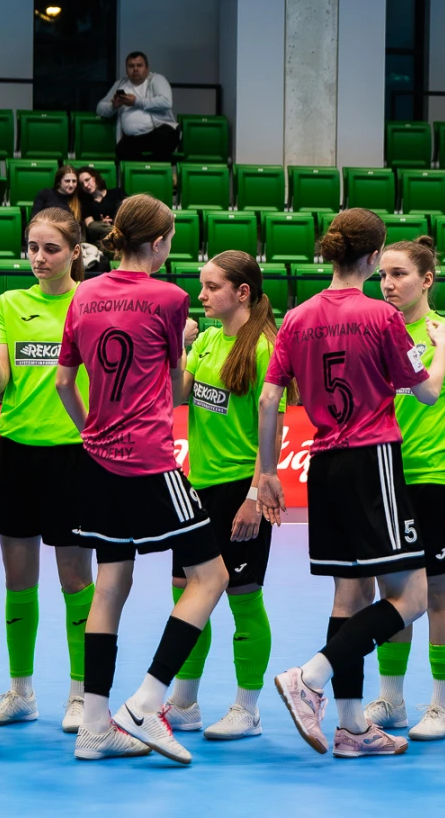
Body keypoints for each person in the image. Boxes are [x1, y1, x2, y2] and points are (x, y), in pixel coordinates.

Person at [258, 208, 445, 759]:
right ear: (372, 256)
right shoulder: (383, 316)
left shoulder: (297, 317)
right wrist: (438, 347)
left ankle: (350, 729)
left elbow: (270, 400)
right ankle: (310, 677)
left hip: (323, 464)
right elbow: (427, 392)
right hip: (373, 461)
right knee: (412, 596)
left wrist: (267, 473)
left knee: (350, 593)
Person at [54, 193, 229, 765]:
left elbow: (63, 384)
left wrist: (91, 430)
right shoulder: (170, 299)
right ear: (157, 243)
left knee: (111, 585)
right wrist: (186, 345)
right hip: (150, 461)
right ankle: (147, 703)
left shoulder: (83, 295)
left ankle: (94, 726)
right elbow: (177, 386)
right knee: (211, 576)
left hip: (95, 460)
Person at [0, 209, 95, 732]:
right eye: (32, 248)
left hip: (74, 453)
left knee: (76, 580)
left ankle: (81, 693)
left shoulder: (91, 302)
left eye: (51, 249)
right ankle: (21, 692)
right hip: (19, 450)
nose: (39, 258)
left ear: (75, 252)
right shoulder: (9, 303)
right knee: (18, 580)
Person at [164, 252, 288, 741]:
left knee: (243, 598)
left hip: (241, 489)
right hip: (198, 488)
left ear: (242, 292)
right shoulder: (208, 340)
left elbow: (273, 430)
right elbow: (177, 394)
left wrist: (255, 496)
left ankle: (246, 708)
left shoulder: (265, 349)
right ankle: (184, 703)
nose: (202, 295)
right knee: (186, 593)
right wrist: (178, 344)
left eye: (212, 287)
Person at [364, 236, 445, 742]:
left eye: (400, 274)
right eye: (383, 275)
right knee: (391, 590)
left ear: (427, 279)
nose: (388, 284)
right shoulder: (375, 329)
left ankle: (443, 706)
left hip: (434, 479)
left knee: (437, 590)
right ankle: (391, 699)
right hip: (382, 477)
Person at [96, 51, 180, 162]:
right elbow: (100, 108)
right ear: (126, 69)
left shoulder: (156, 79)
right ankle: (151, 163)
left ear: (147, 68)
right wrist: (113, 106)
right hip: (135, 139)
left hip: (158, 132)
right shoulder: (120, 84)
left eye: (139, 65)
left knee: (165, 136)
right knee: (121, 150)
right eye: (131, 66)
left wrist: (136, 102)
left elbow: (166, 102)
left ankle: (150, 164)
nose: (135, 69)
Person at [77, 166, 126, 246]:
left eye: (87, 180)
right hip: (103, 237)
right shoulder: (86, 202)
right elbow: (90, 225)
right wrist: (102, 224)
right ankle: (119, 234)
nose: (85, 185)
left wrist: (114, 222)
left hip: (121, 226)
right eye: (82, 184)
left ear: (95, 178)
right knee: (93, 227)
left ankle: (119, 234)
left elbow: (130, 208)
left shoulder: (117, 192)